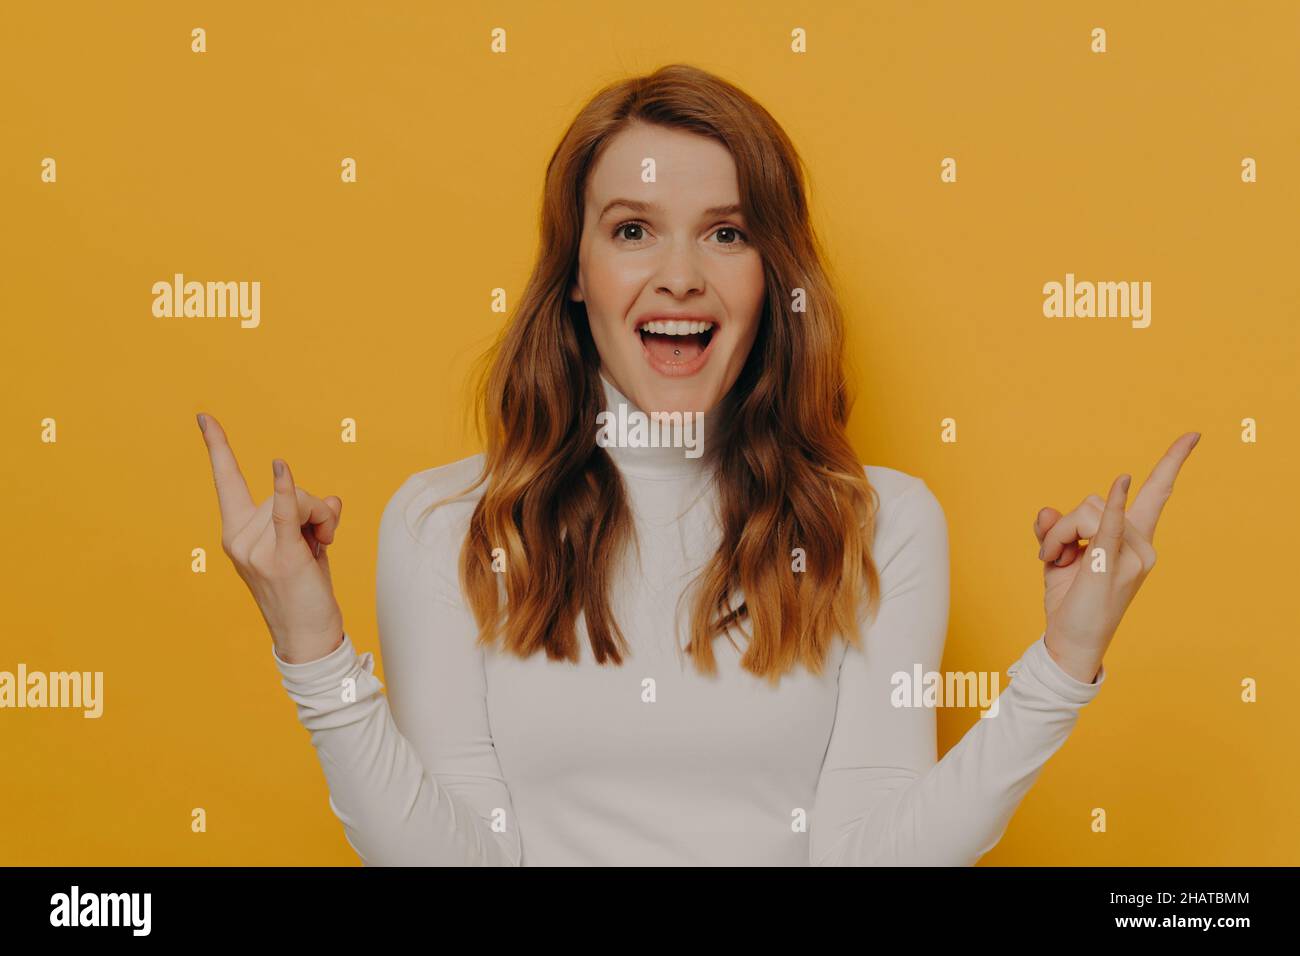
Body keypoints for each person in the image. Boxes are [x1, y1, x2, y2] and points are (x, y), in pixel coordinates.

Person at [196, 64, 1198, 866]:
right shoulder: (446, 523)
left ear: (771, 277)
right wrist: (313, 648)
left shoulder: (881, 521)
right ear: (578, 276)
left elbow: (866, 856)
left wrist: (1061, 663)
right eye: (632, 230)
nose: (679, 273)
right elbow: (450, 859)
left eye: (726, 232)